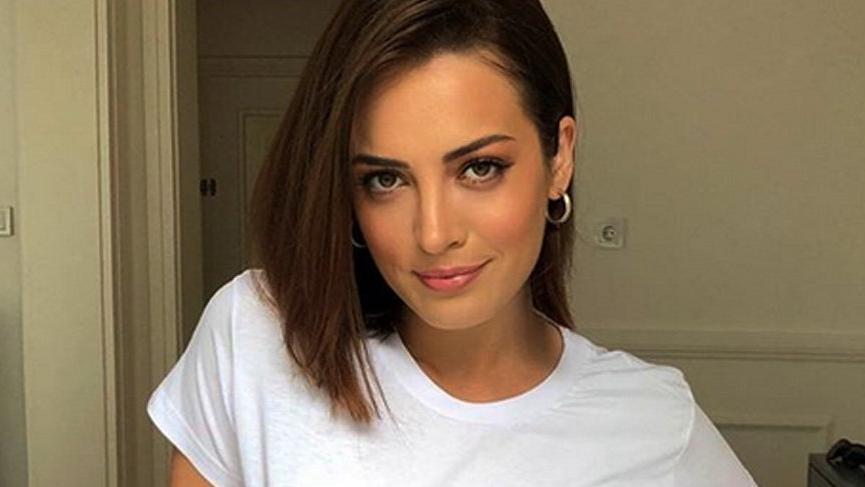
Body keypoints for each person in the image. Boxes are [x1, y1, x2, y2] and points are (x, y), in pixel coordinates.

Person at [148, 0, 758, 485]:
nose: (434, 234)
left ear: (559, 159)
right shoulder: (257, 336)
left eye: (479, 168)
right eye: (385, 180)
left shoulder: (652, 425)